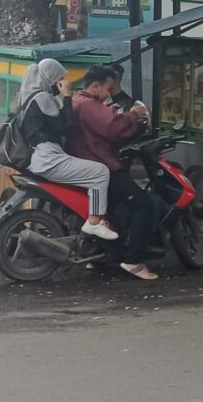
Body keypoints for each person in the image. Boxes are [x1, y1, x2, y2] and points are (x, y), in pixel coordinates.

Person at [65, 65, 155, 279]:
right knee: (144, 204)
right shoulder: (89, 105)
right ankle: (134, 260)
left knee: (113, 210)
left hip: (86, 162)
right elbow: (114, 128)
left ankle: (103, 255)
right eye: (107, 88)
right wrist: (133, 115)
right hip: (102, 164)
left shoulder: (78, 102)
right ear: (95, 87)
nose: (108, 94)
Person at [20, 59, 117, 241]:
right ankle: (94, 222)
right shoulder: (42, 97)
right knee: (100, 172)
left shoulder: (30, 98)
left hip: (40, 156)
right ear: (51, 79)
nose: (62, 82)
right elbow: (64, 125)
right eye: (60, 79)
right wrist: (66, 95)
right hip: (48, 157)